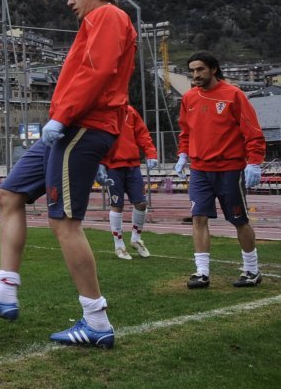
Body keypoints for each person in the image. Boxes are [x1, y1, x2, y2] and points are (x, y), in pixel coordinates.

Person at [0, 0, 136, 349]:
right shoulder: (93, 23)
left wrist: (62, 116)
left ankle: (97, 322)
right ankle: (4, 293)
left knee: (65, 223)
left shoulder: (108, 15)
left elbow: (97, 71)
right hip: (69, 125)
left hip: (84, 126)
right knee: (9, 195)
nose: (70, 2)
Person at [175, 51, 266, 289]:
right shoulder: (189, 99)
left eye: (200, 69)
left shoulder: (233, 95)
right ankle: (201, 273)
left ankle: (252, 270)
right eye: (192, 70)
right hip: (200, 170)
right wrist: (183, 154)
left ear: (213, 69)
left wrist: (254, 162)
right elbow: (185, 131)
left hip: (230, 169)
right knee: (199, 218)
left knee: (239, 220)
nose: (195, 75)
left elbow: (252, 131)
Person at [97, 104, 158, 260]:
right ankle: (119, 245)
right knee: (117, 205)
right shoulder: (102, 111)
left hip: (132, 165)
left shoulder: (130, 111)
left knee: (141, 203)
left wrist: (151, 153)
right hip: (112, 167)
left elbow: (142, 133)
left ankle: (136, 239)